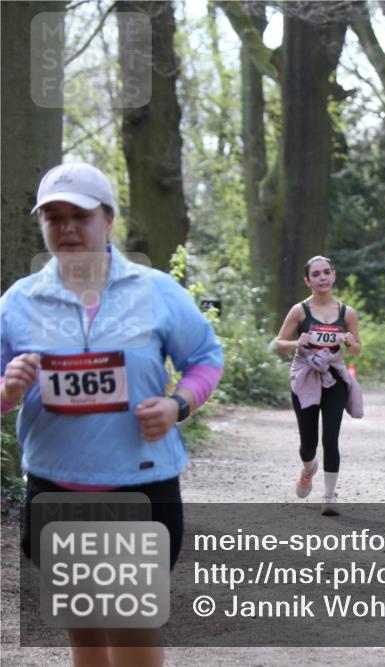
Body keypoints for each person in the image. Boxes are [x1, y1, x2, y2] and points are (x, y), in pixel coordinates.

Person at [1, 162, 224, 666]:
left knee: (131, 630)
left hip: (138, 488)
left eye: (80, 215)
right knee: (84, 632)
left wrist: (177, 404)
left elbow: (205, 360)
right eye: (53, 217)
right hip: (55, 489)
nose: (67, 228)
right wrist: (7, 387)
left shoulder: (157, 291)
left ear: (109, 220)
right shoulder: (18, 301)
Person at [274, 255, 362, 516]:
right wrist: (295, 343)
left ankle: (329, 495)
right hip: (305, 377)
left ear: (334, 276)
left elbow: (357, 350)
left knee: (330, 438)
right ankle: (308, 467)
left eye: (326, 272)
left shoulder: (347, 313)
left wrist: (349, 341)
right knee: (308, 442)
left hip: (333, 378)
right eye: (316, 274)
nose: (322, 278)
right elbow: (278, 343)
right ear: (308, 280)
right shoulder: (300, 311)